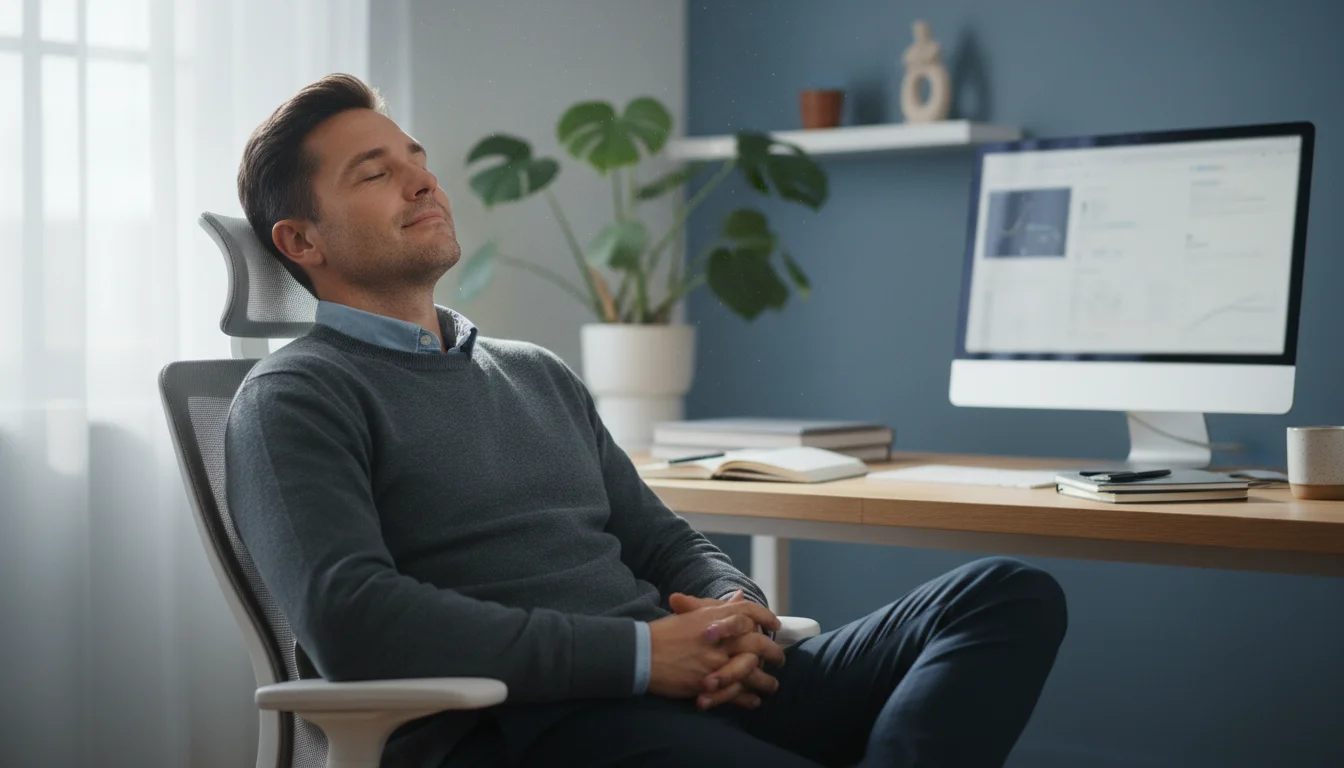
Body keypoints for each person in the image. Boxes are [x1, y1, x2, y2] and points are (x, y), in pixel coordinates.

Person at [225, 74, 1067, 768]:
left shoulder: (533, 372)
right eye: (374, 174)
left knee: (1005, 594)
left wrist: (732, 612)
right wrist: (639, 659)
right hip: (535, 726)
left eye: (417, 159)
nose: (423, 181)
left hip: (687, 683)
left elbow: (664, 541)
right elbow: (352, 620)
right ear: (301, 241)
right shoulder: (296, 397)